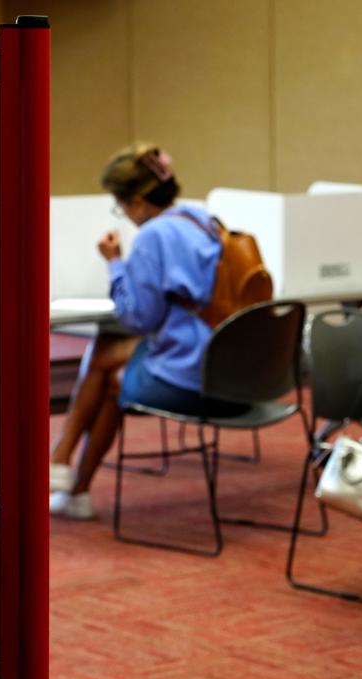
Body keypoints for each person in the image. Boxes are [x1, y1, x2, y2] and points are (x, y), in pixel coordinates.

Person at [49, 142, 242, 519]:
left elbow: (139, 318)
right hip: (230, 362)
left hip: (193, 375)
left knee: (108, 373)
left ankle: (64, 465)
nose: (122, 213)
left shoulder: (154, 236)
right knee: (107, 360)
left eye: (120, 205)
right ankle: (69, 479)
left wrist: (115, 264)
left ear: (137, 201)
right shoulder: (201, 219)